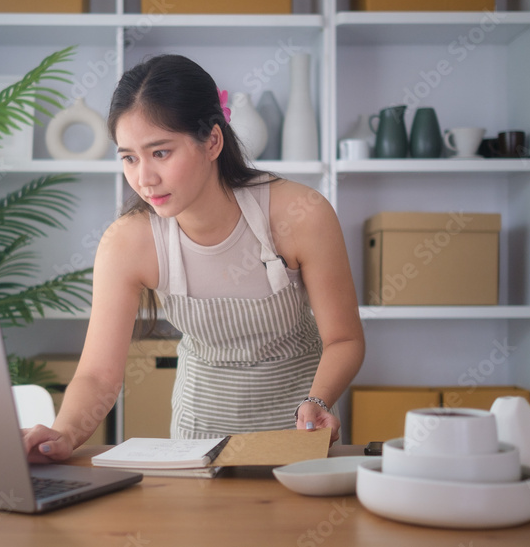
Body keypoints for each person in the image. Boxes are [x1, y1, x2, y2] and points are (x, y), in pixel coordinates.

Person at [24, 54, 364, 463]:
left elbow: (344, 339)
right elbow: (98, 375)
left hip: (301, 428)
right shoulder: (128, 243)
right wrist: (63, 433)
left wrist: (319, 401)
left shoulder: (300, 214)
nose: (144, 179)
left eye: (161, 153)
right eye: (129, 157)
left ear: (213, 142)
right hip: (197, 438)